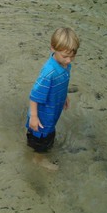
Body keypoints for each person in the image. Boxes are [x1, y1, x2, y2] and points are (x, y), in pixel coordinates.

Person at [25, 26, 79, 170]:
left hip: (52, 110)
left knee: (49, 135)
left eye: (72, 56)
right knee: (41, 139)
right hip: (42, 116)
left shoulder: (65, 66)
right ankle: (38, 159)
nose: (68, 60)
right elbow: (34, 95)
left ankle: (41, 152)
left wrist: (64, 96)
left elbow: (62, 83)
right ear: (53, 48)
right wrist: (34, 117)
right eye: (65, 56)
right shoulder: (49, 73)